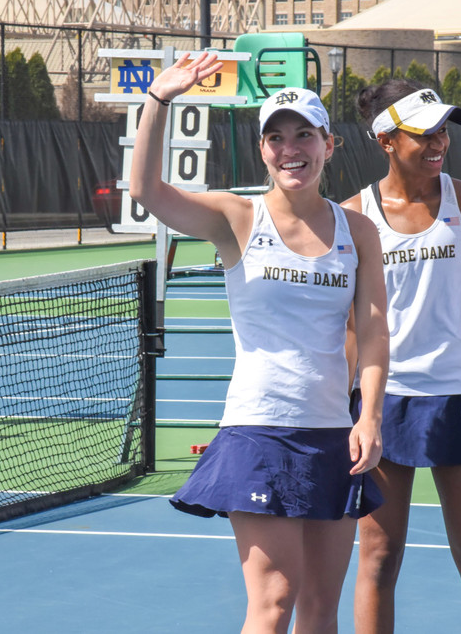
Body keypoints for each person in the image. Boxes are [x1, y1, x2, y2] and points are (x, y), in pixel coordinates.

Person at [130, 52, 389, 633]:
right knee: (273, 604)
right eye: (276, 137)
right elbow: (145, 188)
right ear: (263, 150)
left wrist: (369, 417)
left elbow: (372, 331)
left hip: (333, 436)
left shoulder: (358, 230)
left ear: (328, 143)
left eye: (303, 134)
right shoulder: (237, 217)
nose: (290, 148)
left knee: (322, 610)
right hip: (259, 429)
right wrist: (159, 99)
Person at [343, 80, 461, 634]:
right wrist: (344, 410)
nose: (438, 142)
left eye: (442, 130)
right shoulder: (353, 217)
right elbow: (353, 328)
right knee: (378, 561)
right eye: (422, 133)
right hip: (384, 406)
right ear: (385, 140)